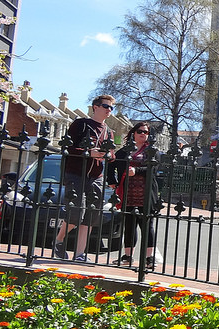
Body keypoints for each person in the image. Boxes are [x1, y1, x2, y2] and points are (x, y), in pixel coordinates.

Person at [52, 94, 116, 262]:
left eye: (111, 107)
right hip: (75, 173)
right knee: (76, 212)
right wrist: (88, 153)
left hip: (96, 176)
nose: (109, 110)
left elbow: (112, 154)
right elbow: (66, 147)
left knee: (92, 215)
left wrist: (107, 155)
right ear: (95, 107)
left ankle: (80, 254)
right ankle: (58, 240)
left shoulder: (108, 131)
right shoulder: (81, 124)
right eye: (106, 106)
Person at [107, 122, 158, 269]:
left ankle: (149, 258)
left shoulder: (152, 151)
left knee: (147, 226)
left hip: (146, 194)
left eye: (146, 132)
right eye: (141, 131)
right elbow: (111, 164)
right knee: (129, 225)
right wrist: (112, 181)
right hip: (128, 193)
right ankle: (127, 257)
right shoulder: (124, 151)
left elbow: (153, 170)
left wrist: (137, 171)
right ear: (133, 133)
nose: (143, 134)